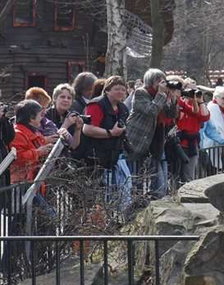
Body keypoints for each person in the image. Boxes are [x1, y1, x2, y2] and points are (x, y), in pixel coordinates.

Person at [125, 69, 179, 197]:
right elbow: (151, 111)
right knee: (136, 179)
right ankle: (134, 205)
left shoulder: (161, 96)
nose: (162, 84)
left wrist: (172, 99)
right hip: (137, 141)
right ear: (150, 81)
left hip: (155, 142)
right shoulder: (140, 93)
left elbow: (171, 115)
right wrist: (161, 94)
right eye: (159, 81)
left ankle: (151, 202)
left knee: (158, 181)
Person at [82, 76, 129, 169]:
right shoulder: (96, 105)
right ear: (107, 91)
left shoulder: (123, 108)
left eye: (123, 90)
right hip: (94, 156)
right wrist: (111, 133)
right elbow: (87, 129)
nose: (120, 92)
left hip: (113, 156)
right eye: (116, 89)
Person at [9, 100, 53, 183]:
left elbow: (33, 142)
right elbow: (18, 158)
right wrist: (38, 152)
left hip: (31, 180)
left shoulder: (32, 131)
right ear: (32, 118)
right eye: (40, 115)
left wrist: (46, 141)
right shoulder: (17, 134)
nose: (42, 118)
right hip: (21, 183)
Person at [175, 80, 210, 182]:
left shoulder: (198, 106)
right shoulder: (181, 103)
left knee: (189, 175)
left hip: (192, 144)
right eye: (190, 90)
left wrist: (200, 101)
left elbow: (205, 117)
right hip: (179, 143)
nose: (193, 93)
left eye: (195, 90)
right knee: (176, 174)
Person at [44, 83, 84, 153]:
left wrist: (78, 129)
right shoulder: (46, 115)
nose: (66, 100)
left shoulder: (71, 116)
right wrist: (65, 125)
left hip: (65, 157)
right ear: (55, 99)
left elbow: (73, 146)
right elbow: (54, 141)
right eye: (62, 97)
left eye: (69, 98)